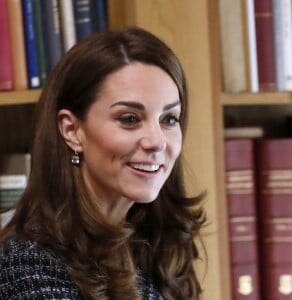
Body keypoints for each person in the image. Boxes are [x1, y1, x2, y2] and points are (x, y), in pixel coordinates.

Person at [0, 27, 206, 300]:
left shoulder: (154, 242)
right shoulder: (26, 263)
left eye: (169, 119)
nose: (156, 141)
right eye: (129, 119)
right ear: (72, 130)